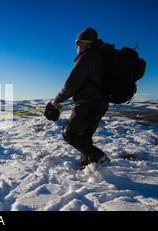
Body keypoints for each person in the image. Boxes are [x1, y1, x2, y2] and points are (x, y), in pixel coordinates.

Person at [50, 28, 110, 170]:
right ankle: (87, 166)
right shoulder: (101, 57)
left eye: (77, 44)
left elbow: (71, 84)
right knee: (84, 136)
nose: (76, 47)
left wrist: (56, 101)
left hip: (88, 104)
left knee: (69, 134)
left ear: (84, 43)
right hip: (100, 104)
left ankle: (99, 157)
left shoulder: (87, 57)